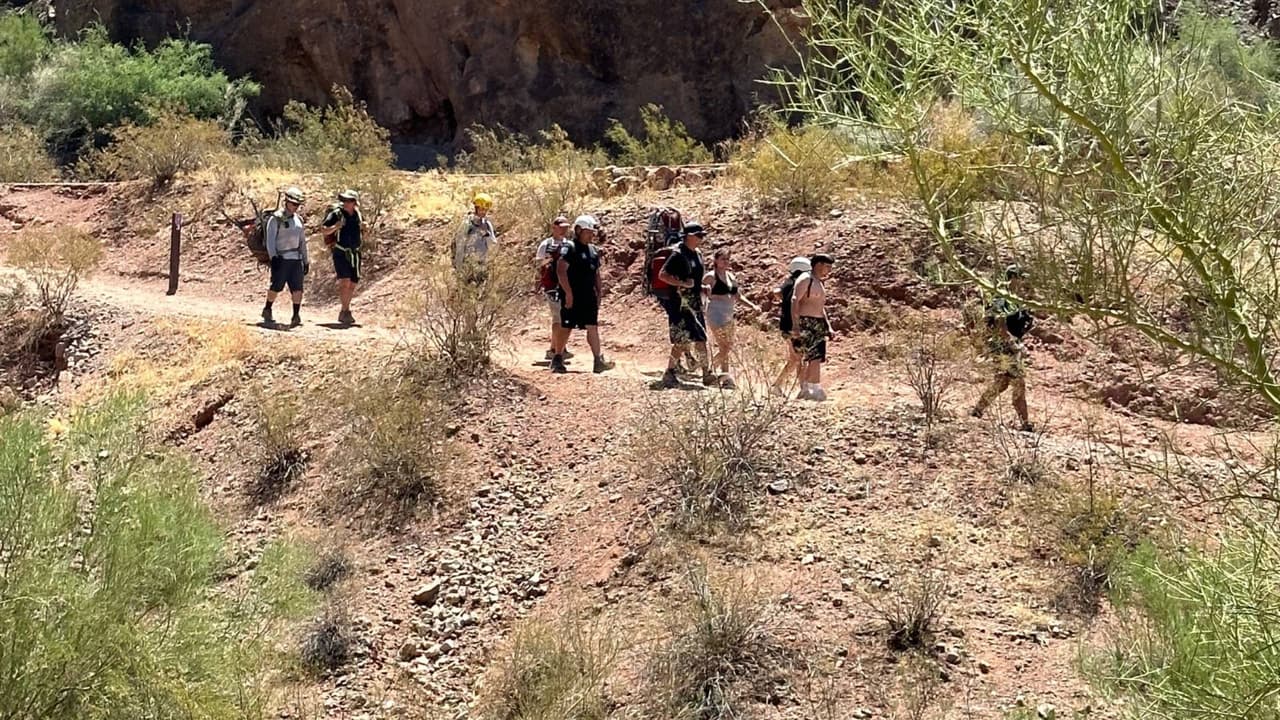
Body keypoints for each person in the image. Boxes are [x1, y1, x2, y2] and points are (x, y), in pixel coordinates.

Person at [971, 265, 1035, 431]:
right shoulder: (1001, 295)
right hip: (1003, 345)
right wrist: (1010, 341)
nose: (1024, 281)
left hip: (1008, 344)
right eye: (1021, 277)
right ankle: (1025, 423)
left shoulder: (1016, 298)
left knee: (1002, 383)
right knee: (1018, 381)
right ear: (1013, 277)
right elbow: (999, 321)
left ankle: (977, 410)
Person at [550, 215, 615, 374]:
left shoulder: (593, 250)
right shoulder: (570, 248)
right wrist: (569, 294)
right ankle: (558, 357)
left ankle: (597, 360)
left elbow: (596, 273)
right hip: (572, 296)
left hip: (588, 296)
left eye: (592, 232)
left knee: (592, 326)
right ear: (579, 230)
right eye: (588, 232)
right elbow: (561, 270)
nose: (591, 235)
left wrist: (599, 292)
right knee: (567, 326)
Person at [658, 223, 716, 388]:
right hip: (680, 303)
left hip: (694, 303)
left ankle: (706, 373)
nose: (701, 238)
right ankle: (670, 372)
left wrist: (701, 287)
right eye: (699, 235)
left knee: (700, 337)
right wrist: (683, 283)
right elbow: (663, 275)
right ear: (688, 236)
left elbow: (695, 279)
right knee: (682, 341)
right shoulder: (678, 254)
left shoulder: (697, 253)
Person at [703, 247, 761, 386]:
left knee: (727, 346)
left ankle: (725, 376)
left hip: (728, 312)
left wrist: (752, 306)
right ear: (716, 260)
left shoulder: (731, 276)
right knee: (725, 346)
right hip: (715, 312)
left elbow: (738, 296)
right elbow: (701, 294)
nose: (726, 262)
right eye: (723, 259)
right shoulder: (710, 276)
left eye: (728, 259)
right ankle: (710, 371)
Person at [262, 186, 310, 327]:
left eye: (298, 205)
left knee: (298, 288)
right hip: (281, 259)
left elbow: (302, 241)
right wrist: (274, 257)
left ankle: (296, 315)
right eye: (294, 204)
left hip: (296, 259)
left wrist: (305, 260)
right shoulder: (275, 219)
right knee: (276, 286)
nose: (295, 207)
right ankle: (268, 308)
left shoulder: (298, 220)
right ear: (287, 202)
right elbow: (270, 240)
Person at [791, 253, 836, 401]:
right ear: (819, 265)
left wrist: (828, 326)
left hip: (817, 323)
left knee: (816, 357)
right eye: (827, 266)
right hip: (805, 322)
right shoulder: (806, 279)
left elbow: (820, 307)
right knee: (805, 357)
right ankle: (809, 388)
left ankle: (812, 387)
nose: (829, 270)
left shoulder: (819, 282)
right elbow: (795, 300)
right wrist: (796, 325)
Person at [535, 216, 574, 361]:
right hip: (552, 286)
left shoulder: (569, 244)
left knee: (562, 317)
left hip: (566, 286)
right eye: (561, 227)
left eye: (566, 227)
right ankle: (556, 349)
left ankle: (556, 347)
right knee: (558, 317)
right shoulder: (546, 244)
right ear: (554, 227)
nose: (563, 230)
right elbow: (539, 264)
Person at [321, 189, 362, 325]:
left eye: (348, 200)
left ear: (354, 202)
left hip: (355, 252)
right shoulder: (336, 214)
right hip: (341, 252)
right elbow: (323, 229)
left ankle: (345, 310)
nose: (345, 203)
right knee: (345, 281)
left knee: (353, 283)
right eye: (344, 200)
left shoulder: (357, 215)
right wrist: (335, 227)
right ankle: (345, 311)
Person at [771, 256, 811, 396]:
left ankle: (777, 385)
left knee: (795, 358)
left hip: (785, 324)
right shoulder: (802, 283)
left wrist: (784, 301)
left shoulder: (788, 282)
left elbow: (776, 292)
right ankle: (803, 389)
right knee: (800, 356)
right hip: (795, 325)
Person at [455, 192, 497, 281]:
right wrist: (459, 268)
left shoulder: (487, 224)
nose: (483, 212)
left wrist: (487, 235)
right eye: (481, 209)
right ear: (476, 209)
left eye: (486, 210)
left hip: (482, 265)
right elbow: (460, 246)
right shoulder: (467, 224)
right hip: (468, 265)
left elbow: (493, 244)